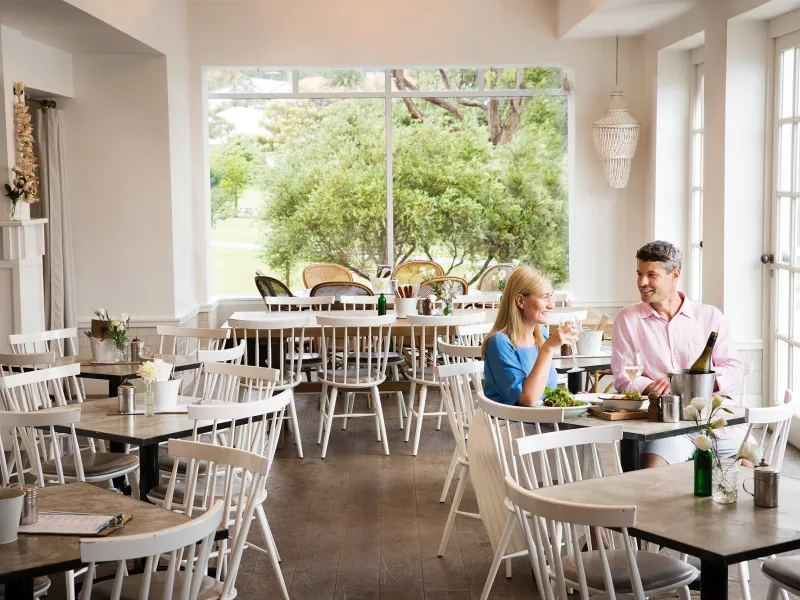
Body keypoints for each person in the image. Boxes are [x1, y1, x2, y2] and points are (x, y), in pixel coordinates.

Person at [612, 241, 745, 468]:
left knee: (748, 467)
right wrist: (655, 386)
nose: (642, 282)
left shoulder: (710, 316)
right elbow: (624, 378)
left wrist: (694, 383)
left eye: (651, 275)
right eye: (639, 274)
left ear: (674, 275)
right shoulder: (627, 319)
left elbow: (733, 367)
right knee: (651, 474)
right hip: (665, 429)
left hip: (715, 423)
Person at [482, 266, 578, 406]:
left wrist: (570, 399)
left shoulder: (541, 334)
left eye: (551, 296)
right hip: (512, 424)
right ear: (520, 301)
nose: (551, 305)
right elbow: (528, 399)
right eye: (544, 297)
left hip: (542, 420)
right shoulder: (499, 342)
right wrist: (548, 348)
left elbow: (547, 392)